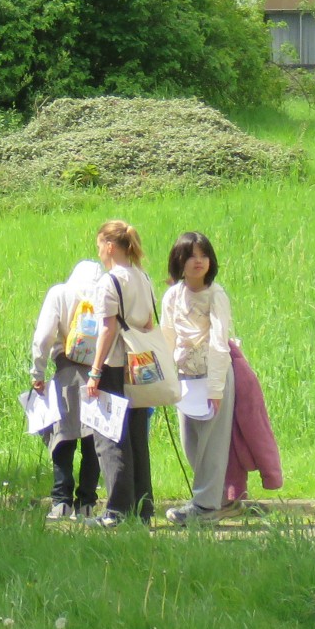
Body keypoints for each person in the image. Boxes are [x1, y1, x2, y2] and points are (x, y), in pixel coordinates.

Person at [78, 219, 159, 527]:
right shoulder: (143, 277)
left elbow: (107, 328)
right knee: (137, 436)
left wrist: (95, 372)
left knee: (109, 437)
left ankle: (117, 511)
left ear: (110, 247)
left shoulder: (109, 281)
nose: (99, 252)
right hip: (140, 365)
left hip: (113, 366)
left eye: (100, 245)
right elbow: (149, 323)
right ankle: (143, 510)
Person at [160, 232, 235, 524]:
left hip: (213, 377)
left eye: (204, 255)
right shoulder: (173, 295)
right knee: (191, 444)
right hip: (184, 379)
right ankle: (214, 498)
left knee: (212, 444)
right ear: (179, 260)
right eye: (192, 255)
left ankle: (205, 507)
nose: (199, 261)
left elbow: (219, 343)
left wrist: (215, 389)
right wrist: (165, 381)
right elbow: (167, 337)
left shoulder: (216, 295)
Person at [30, 276, 99, 521]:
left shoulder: (60, 293)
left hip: (66, 371)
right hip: (99, 376)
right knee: (93, 440)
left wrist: (37, 372)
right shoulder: (106, 291)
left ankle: (61, 502)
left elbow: (43, 337)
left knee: (63, 438)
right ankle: (88, 503)